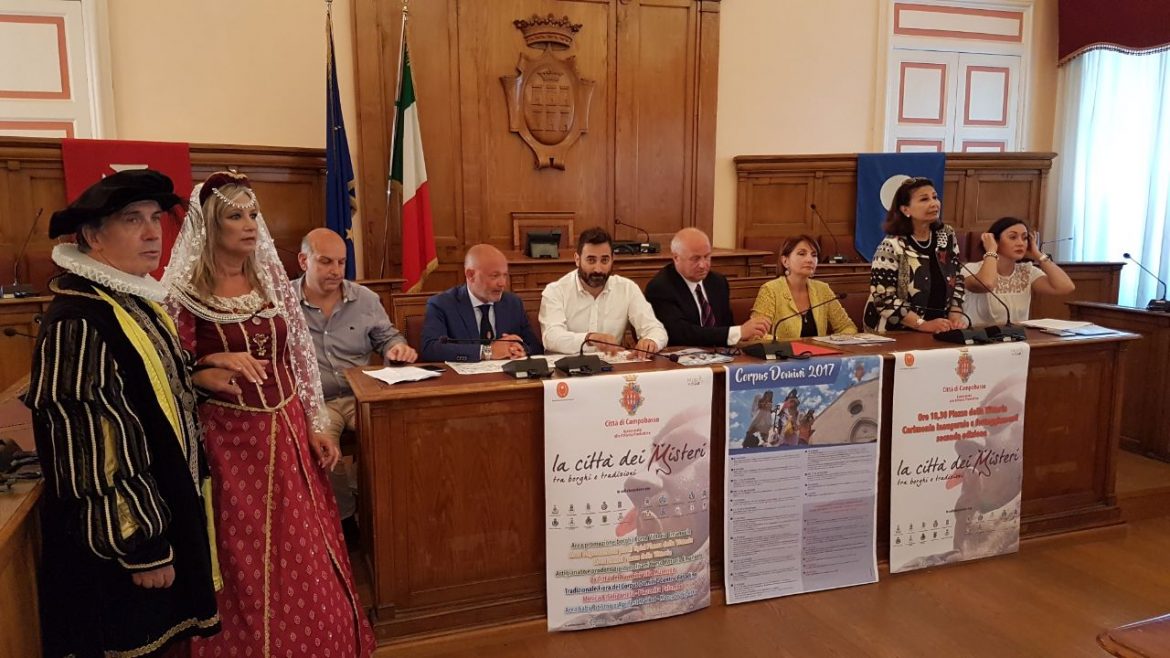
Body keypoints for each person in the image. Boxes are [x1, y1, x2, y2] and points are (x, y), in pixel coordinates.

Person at [162, 172, 374, 657]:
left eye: (253, 215)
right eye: (235, 216)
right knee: (245, 550)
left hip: (288, 429)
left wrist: (315, 422)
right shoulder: (186, 292)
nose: (249, 225)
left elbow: (297, 358)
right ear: (210, 225)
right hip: (230, 444)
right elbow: (166, 369)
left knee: (303, 544)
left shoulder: (269, 282)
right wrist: (208, 366)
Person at [24, 169, 220, 657]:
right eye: (133, 220)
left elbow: (145, 389)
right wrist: (141, 545)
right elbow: (91, 440)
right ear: (92, 236)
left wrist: (199, 375)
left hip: (158, 520)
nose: (153, 233)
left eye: (155, 218)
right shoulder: (78, 318)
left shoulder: (128, 299)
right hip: (120, 547)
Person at [294, 227, 416, 534]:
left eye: (341, 262)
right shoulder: (283, 303)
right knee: (323, 448)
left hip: (360, 393)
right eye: (326, 262)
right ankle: (344, 521)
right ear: (304, 261)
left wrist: (396, 348)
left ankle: (385, 515)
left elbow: (387, 338)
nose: (336, 271)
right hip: (315, 401)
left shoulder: (365, 299)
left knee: (393, 435)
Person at [539, 227, 669, 355]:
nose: (598, 269)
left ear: (613, 259)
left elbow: (656, 329)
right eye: (591, 260)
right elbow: (551, 337)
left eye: (604, 260)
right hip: (567, 366)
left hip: (612, 365)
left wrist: (651, 341)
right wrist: (589, 338)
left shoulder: (627, 288)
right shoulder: (555, 291)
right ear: (577, 260)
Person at [864, 177, 966, 333]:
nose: (934, 203)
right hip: (897, 332)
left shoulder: (946, 235)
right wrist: (922, 324)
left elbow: (957, 278)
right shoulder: (891, 246)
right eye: (924, 199)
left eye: (935, 197)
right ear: (906, 210)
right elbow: (884, 299)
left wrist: (955, 315)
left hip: (941, 328)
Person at [645, 227, 771, 347]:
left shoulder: (717, 282)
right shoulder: (661, 287)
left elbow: (726, 326)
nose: (703, 265)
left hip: (721, 356)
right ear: (676, 258)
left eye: (706, 257)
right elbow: (681, 334)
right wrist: (738, 332)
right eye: (695, 259)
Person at [421, 243, 543, 361]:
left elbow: (535, 347)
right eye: (494, 276)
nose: (502, 283)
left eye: (504, 275)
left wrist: (520, 349)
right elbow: (430, 349)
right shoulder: (442, 304)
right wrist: (487, 351)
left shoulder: (513, 303)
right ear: (470, 275)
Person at [962, 217, 1076, 327]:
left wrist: (1037, 254)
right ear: (995, 241)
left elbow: (1065, 287)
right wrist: (991, 250)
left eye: (1025, 238)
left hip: (1017, 338)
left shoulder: (1026, 271)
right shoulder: (971, 269)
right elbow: (987, 283)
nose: (1021, 243)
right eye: (1013, 237)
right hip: (980, 338)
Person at [750, 235, 857, 340]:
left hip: (820, 351)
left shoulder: (822, 289)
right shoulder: (770, 290)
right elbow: (757, 334)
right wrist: (784, 345)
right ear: (785, 261)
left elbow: (848, 327)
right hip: (784, 351)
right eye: (802, 254)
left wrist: (832, 341)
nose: (810, 259)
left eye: (814, 255)